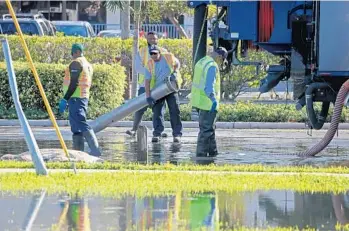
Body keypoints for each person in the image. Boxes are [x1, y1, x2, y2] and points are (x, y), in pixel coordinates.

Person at [58, 43, 101, 157]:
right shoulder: (88, 64)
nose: (72, 56)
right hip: (80, 97)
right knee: (76, 126)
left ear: (77, 51)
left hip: (76, 97)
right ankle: (79, 153)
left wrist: (65, 99)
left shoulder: (76, 63)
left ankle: (95, 150)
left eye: (72, 53)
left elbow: (74, 83)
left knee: (81, 122)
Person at [125, 31, 168, 137]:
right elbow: (138, 67)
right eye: (150, 38)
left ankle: (157, 132)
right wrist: (150, 74)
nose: (152, 40)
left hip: (158, 86)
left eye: (154, 38)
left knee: (158, 110)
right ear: (147, 39)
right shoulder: (142, 51)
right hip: (144, 86)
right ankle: (134, 129)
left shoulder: (163, 51)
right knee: (140, 108)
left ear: (157, 40)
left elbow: (169, 65)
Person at [190, 47, 228, 157]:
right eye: (223, 60)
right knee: (206, 131)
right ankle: (201, 156)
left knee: (210, 129)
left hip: (199, 101)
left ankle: (213, 153)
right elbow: (208, 87)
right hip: (208, 103)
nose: (222, 63)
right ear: (220, 57)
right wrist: (214, 100)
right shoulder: (211, 66)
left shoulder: (202, 61)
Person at [144, 45, 183, 143]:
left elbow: (177, 64)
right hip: (157, 91)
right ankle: (157, 133)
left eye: (155, 53)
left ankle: (177, 134)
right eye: (151, 54)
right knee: (157, 112)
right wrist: (148, 97)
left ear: (159, 53)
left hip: (170, 88)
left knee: (174, 110)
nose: (153, 55)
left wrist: (175, 72)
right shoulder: (149, 64)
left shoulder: (168, 57)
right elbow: (147, 81)